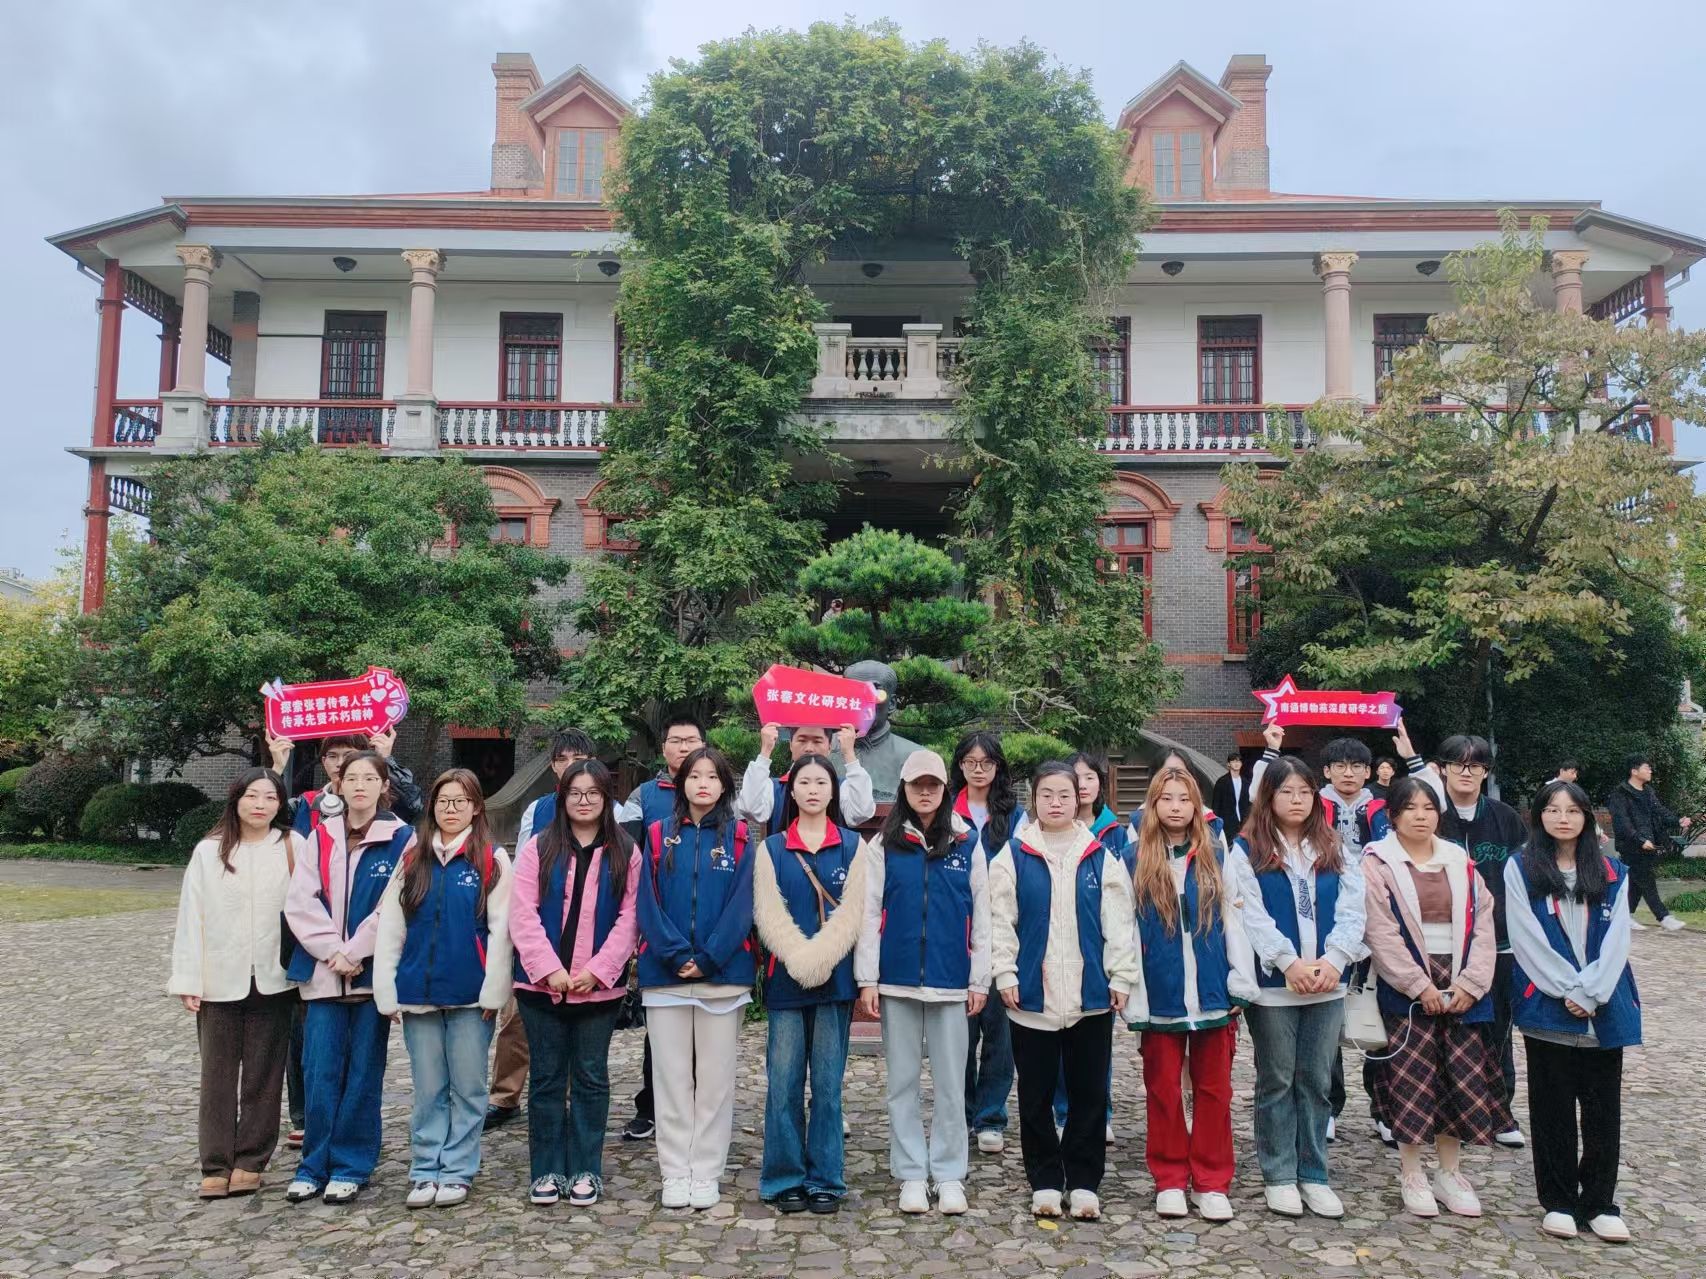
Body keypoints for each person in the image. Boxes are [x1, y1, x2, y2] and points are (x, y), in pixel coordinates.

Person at [990, 761, 1138, 1221]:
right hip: (1031, 996)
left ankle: (1085, 1181)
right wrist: (1005, 973)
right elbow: (1000, 921)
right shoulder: (1013, 855)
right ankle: (1046, 1180)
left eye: (1064, 795)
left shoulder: (1099, 856)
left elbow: (1120, 924)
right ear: (1033, 799)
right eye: (1046, 795)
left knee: (1088, 1093)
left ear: (1080, 799)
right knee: (1034, 1095)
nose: (1055, 803)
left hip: (1089, 995)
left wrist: (1121, 976)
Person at [268, 728, 422, 1151]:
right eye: (350, 777)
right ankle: (314, 1160)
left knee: (363, 1073)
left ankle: (353, 1162)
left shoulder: (403, 838)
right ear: (336, 780)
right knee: (318, 1069)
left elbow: (396, 903)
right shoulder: (320, 834)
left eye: (370, 778)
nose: (359, 785)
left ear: (384, 785)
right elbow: (300, 900)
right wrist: (333, 951)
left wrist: (354, 951)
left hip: (370, 974)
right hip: (322, 972)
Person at [1362, 776, 1509, 1218]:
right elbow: (1380, 931)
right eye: (1410, 808)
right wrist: (1418, 985)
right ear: (1393, 816)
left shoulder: (1458, 860)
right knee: (1411, 1078)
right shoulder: (1377, 863)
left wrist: (1471, 983)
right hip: (1407, 986)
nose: (1421, 816)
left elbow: (1484, 922)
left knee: (1459, 1077)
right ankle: (1411, 1172)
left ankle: (1450, 1172)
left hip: (1460, 980)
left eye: (1428, 808)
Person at [1227, 756, 1364, 1219]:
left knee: (1316, 1080)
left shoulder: (1334, 847)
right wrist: (1288, 962)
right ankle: (1280, 1174)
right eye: (1286, 791)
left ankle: (1314, 1174)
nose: (1296, 800)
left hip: (1327, 982)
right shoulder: (1247, 849)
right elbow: (1249, 913)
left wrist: (1334, 959)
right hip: (1274, 987)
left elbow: (1353, 909)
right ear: (1268, 797)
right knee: (1277, 1079)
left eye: (1304, 791)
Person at [1506, 781, 1641, 1242]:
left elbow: (1618, 938)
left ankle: (1600, 1202)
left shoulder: (1613, 871)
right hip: (1548, 1004)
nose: (1562, 818)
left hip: (1604, 1006)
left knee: (1603, 1110)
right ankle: (1559, 1201)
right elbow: (1525, 936)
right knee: (1552, 1109)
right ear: (1539, 815)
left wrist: (1591, 993)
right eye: (1552, 809)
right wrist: (1567, 988)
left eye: (1572, 810)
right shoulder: (1520, 867)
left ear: (1586, 817)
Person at [857, 749, 989, 1216]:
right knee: (902, 1083)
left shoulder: (967, 842)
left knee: (952, 1084)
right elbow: (869, 913)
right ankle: (911, 1172)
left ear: (945, 789)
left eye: (933, 784)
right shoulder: (883, 846)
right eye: (917, 785)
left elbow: (983, 915)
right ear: (905, 790)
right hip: (897, 980)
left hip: (952, 981)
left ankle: (950, 1173)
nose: (926, 792)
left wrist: (980, 980)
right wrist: (868, 978)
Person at [374, 770, 514, 1209]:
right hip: (418, 989)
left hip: (471, 993)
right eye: (443, 801)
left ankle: (457, 1169)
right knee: (428, 1087)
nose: (450, 809)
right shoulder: (412, 858)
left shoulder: (491, 859)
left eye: (460, 801)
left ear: (476, 807)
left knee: (469, 1087)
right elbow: (392, 926)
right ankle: (425, 1167)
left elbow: (501, 931)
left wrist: (494, 991)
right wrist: (387, 987)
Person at [507, 760, 640, 1208]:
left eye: (593, 793)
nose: (584, 801)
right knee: (546, 1077)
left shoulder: (625, 851)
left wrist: (598, 970)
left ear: (606, 798)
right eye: (575, 793)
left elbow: (630, 917)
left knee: (590, 1077)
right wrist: (548, 968)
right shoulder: (540, 847)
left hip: (598, 989)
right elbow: (522, 913)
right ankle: (546, 1169)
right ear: (562, 797)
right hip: (540, 987)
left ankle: (586, 1168)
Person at [169, 768, 307, 1200]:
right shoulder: (208, 852)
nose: (260, 804)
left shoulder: (293, 846)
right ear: (236, 799)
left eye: (270, 797)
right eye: (252, 795)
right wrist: (188, 977)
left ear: (280, 804)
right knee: (217, 1077)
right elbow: (191, 918)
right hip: (219, 978)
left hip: (275, 979)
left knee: (264, 1077)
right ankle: (215, 1163)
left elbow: (308, 909)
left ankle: (250, 1160)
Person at [1126, 767, 1256, 1222]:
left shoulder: (1218, 855)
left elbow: (1235, 919)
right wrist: (1131, 989)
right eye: (1167, 798)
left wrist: (1241, 977)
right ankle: (1169, 1178)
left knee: (1214, 1089)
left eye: (1184, 798)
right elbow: (1124, 929)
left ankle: (1212, 1180)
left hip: (1212, 989)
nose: (1176, 807)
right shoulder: (1131, 858)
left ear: (1197, 805)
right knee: (1162, 1089)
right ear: (1152, 805)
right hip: (1159, 993)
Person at [636, 746, 755, 1211]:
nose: (703, 783)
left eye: (712, 776)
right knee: (670, 1080)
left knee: (714, 1081)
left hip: (722, 976)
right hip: (665, 976)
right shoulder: (656, 834)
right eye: (694, 775)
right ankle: (674, 1170)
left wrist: (709, 957)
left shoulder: (741, 838)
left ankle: (706, 1170)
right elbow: (647, 900)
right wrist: (672, 953)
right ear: (681, 783)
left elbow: (743, 905)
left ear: (724, 785)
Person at [1259, 726, 1391, 1144]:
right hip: (1310, 940)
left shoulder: (1382, 808)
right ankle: (1330, 1105)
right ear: (1327, 772)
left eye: (1357, 766)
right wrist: (1271, 750)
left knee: (1375, 1016)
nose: (1349, 773)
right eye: (1340, 766)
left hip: (1366, 924)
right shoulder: (1313, 814)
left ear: (1368, 771)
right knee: (1319, 1033)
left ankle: (1383, 1107)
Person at [754, 755, 868, 1214]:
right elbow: (768, 915)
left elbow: (855, 915)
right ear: (792, 790)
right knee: (782, 1084)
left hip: (835, 983)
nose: (814, 790)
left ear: (833, 790)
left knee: (827, 1085)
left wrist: (819, 960)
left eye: (822, 782)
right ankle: (783, 1177)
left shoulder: (854, 847)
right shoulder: (772, 849)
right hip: (786, 983)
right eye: (805, 782)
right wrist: (801, 960)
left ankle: (826, 1178)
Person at [1421, 735, 1529, 1148]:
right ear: (1443, 768)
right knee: (1438, 1031)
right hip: (1439, 942)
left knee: (1497, 1030)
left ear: (1486, 772)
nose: (1466, 772)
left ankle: (1500, 1113)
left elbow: (1524, 876)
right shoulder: (1430, 814)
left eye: (1476, 765)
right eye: (1458, 764)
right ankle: (1439, 1114)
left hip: (1498, 943)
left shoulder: (1505, 818)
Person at [486, 728, 596, 1131]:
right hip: (537, 928)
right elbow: (520, 874)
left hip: (584, 935)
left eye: (577, 759)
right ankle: (505, 1096)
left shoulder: (608, 810)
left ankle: (563, 1095)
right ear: (552, 766)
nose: (569, 767)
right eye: (562, 760)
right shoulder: (538, 809)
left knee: (573, 1021)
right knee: (516, 1020)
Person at [616, 713, 707, 1140]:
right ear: (664, 747)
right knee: (661, 1030)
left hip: (706, 929)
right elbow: (626, 856)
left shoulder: (719, 791)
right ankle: (652, 1107)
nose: (683, 747)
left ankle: (699, 1110)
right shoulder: (644, 796)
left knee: (706, 1032)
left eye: (691, 739)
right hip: (658, 923)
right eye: (676, 740)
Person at [949, 731, 1023, 1155]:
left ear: (998, 767)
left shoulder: (1015, 815)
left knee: (1000, 1030)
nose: (978, 770)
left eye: (987, 763)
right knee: (959, 1032)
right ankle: (961, 1112)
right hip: (958, 933)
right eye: (971, 762)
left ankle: (991, 1115)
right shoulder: (946, 811)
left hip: (1002, 931)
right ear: (959, 765)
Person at [1057, 751, 1128, 1142]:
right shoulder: (1048, 828)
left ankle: (1101, 1112)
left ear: (1101, 784)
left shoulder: (1115, 833)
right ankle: (1062, 1112)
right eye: (1075, 778)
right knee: (1056, 1036)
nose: (1082, 785)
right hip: (1057, 945)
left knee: (1097, 1040)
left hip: (1099, 949)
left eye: (1089, 778)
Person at [737, 722, 875, 835]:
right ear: (791, 745)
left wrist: (849, 753)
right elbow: (750, 808)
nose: (809, 748)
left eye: (817, 741)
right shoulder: (774, 788)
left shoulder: (842, 788)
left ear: (829, 747)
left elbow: (861, 812)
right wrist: (765, 751)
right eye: (802, 740)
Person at [1606, 752, 1693, 931]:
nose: (1650, 771)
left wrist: (1677, 821)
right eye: (1647, 768)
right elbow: (1622, 823)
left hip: (1648, 843)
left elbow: (1659, 811)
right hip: (1631, 845)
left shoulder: (1648, 792)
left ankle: (1625, 916)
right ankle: (1664, 916)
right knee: (1646, 879)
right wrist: (1639, 840)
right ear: (1634, 771)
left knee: (1636, 882)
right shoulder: (1620, 794)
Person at [1211, 752, 1252, 832]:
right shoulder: (1222, 782)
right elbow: (1216, 804)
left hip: (1243, 823)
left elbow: (1249, 804)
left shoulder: (1246, 783)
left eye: (1238, 761)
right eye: (1233, 761)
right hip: (1227, 823)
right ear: (1228, 764)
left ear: (1241, 764)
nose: (1236, 763)